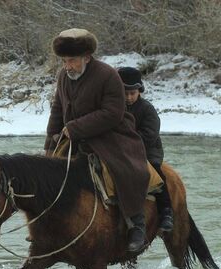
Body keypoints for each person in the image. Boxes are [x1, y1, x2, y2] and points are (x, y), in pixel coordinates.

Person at [45, 28, 150, 252]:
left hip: (111, 136)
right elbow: (57, 108)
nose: (67, 66)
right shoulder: (64, 76)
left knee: (128, 170)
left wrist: (75, 127)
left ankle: (136, 224)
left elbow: (113, 112)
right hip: (74, 138)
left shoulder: (108, 75)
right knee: (47, 176)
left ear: (86, 57)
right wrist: (49, 145)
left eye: (71, 60)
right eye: (64, 61)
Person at [118, 67, 173, 232]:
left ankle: (166, 212)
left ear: (139, 91)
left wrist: (125, 141)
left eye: (132, 93)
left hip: (148, 151)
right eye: (125, 93)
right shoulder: (115, 107)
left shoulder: (147, 109)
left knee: (156, 174)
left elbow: (149, 135)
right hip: (121, 150)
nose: (128, 97)